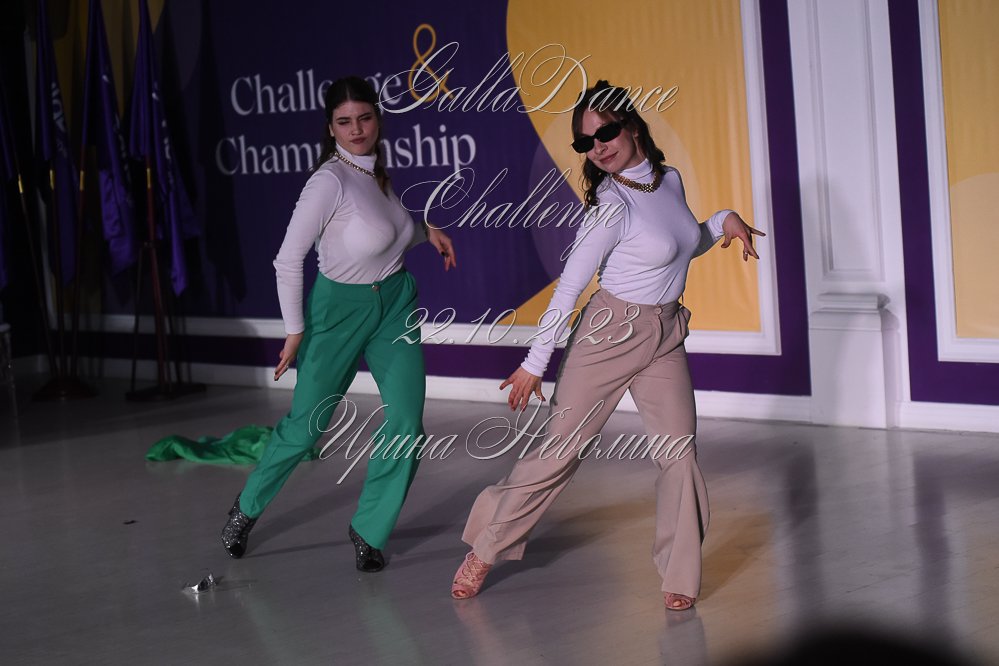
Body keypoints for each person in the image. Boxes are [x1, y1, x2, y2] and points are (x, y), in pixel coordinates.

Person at [451, 80, 763, 609]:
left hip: (664, 335)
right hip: (607, 335)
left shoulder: (669, 180)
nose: (597, 147)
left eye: (606, 133)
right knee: (559, 453)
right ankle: (485, 547)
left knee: (679, 454)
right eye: (585, 142)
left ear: (633, 125)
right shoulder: (610, 206)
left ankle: (680, 575)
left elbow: (679, 246)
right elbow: (569, 288)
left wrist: (721, 221)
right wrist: (534, 363)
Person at [221, 76, 456, 572]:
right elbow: (287, 259)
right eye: (345, 122)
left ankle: (369, 530)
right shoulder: (328, 181)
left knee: (406, 422)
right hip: (338, 312)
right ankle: (246, 507)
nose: (357, 129)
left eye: (365, 118)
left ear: (378, 120)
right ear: (330, 128)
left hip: (395, 304)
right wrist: (295, 330)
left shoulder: (377, 175)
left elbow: (385, 235)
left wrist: (425, 232)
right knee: (307, 426)